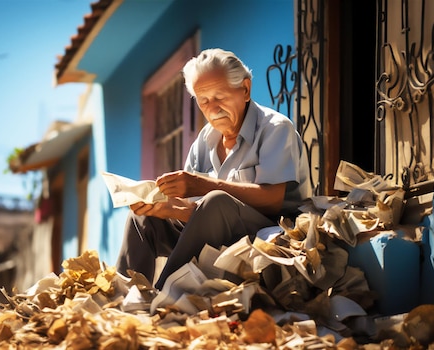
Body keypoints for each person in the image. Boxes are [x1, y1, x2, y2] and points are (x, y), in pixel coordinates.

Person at [116, 48, 311, 290]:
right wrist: (166, 208)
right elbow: (197, 213)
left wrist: (206, 186)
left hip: (270, 235)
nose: (212, 108)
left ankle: (163, 292)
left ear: (245, 90)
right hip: (217, 235)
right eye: (204, 100)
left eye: (220, 96)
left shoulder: (276, 129)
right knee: (143, 217)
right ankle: (125, 296)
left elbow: (273, 201)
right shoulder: (205, 140)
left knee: (218, 200)